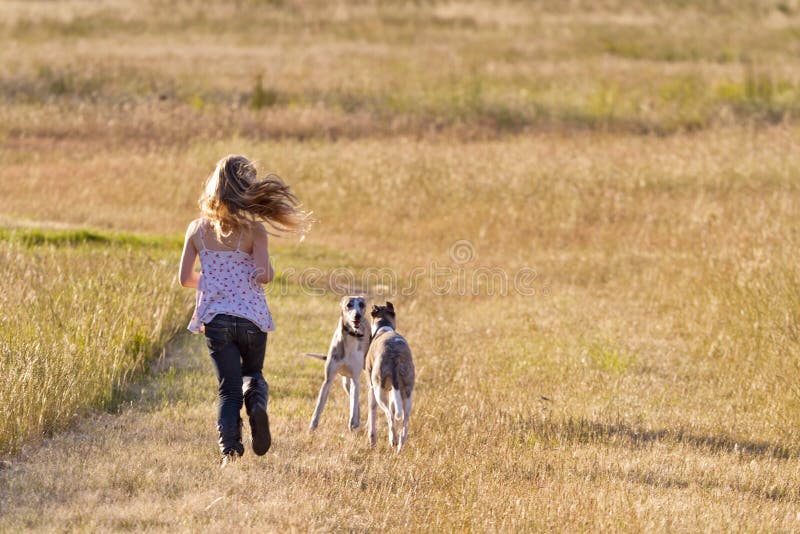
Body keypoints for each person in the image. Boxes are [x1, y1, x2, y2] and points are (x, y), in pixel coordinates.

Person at [178, 154, 308, 466]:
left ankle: (230, 455)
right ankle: (257, 405)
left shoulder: (196, 230)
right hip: (252, 320)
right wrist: (262, 270)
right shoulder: (255, 232)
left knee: (228, 391)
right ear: (246, 189)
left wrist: (212, 284)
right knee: (254, 374)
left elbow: (185, 279)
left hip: (217, 321)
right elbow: (264, 274)